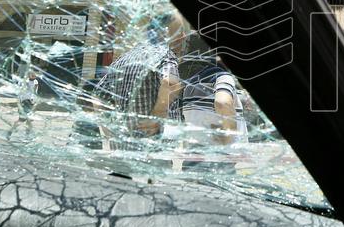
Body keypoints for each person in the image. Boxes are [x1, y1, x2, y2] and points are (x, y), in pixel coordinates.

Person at [95, 13, 242, 149]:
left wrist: (113, 133)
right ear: (171, 36)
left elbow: (98, 97)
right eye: (181, 35)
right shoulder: (165, 55)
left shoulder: (125, 58)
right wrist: (157, 115)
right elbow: (170, 83)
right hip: (153, 150)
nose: (183, 40)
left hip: (122, 148)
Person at [7, 69, 38, 138]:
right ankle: (25, 135)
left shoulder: (35, 82)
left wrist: (35, 101)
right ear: (29, 75)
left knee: (27, 120)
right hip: (25, 102)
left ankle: (11, 132)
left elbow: (34, 92)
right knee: (24, 119)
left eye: (34, 75)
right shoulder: (25, 82)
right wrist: (20, 102)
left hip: (30, 102)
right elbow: (21, 92)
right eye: (32, 74)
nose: (34, 76)